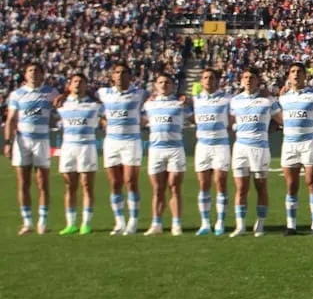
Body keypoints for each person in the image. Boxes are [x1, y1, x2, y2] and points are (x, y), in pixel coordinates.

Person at [4, 62, 58, 235]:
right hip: (22, 141)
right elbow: (11, 119)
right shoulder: (17, 94)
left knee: (43, 182)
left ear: (43, 75)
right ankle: (27, 222)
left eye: (37, 71)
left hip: (41, 141)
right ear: (25, 74)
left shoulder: (51, 93)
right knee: (23, 182)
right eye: (30, 71)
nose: (33, 73)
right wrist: (8, 142)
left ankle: (42, 222)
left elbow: (59, 109)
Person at [279, 63, 313, 236]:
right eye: (292, 71)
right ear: (288, 76)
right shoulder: (283, 98)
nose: (296, 74)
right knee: (291, 185)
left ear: (304, 76)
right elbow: (278, 118)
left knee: (312, 182)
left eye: (299, 72)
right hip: (289, 144)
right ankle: (291, 225)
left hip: (309, 142)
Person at [229, 68, 283, 237]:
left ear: (257, 80)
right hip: (240, 148)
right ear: (241, 80)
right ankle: (241, 226)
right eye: (245, 77)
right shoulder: (235, 101)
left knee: (261, 187)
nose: (248, 80)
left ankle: (259, 224)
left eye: (251, 77)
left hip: (259, 148)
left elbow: (282, 119)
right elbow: (231, 122)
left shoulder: (267, 100)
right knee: (241, 188)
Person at [97, 62, 147, 235]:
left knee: (130, 181)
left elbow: (156, 99)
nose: (119, 75)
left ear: (130, 76)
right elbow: (94, 108)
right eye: (116, 72)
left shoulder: (140, 93)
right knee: (115, 183)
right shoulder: (103, 93)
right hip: (111, 142)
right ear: (112, 76)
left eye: (123, 72)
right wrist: (103, 121)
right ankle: (119, 222)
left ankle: (133, 221)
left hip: (131, 142)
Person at [142, 73, 191, 235]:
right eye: (161, 82)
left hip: (175, 150)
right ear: (156, 85)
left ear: (172, 86)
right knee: (157, 189)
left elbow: (195, 118)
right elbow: (140, 120)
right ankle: (156, 224)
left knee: (175, 187)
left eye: (167, 82)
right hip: (156, 150)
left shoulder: (180, 104)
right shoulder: (148, 105)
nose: (164, 85)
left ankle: (176, 224)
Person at [55, 73, 102, 235]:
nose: (77, 84)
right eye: (75, 81)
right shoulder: (61, 104)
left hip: (86, 148)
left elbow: (106, 118)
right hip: (68, 148)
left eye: (81, 82)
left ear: (86, 86)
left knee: (87, 186)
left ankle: (86, 224)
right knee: (69, 186)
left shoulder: (94, 105)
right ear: (69, 84)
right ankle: (71, 224)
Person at [192, 68, 232, 235]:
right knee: (203, 184)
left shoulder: (227, 99)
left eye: (212, 78)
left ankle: (220, 222)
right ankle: (205, 223)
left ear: (217, 81)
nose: (208, 80)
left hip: (220, 145)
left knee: (220, 182)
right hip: (202, 146)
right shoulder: (194, 100)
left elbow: (234, 117)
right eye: (205, 78)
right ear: (201, 81)